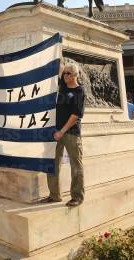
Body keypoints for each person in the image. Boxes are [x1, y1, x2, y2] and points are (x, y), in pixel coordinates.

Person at [41, 63, 85, 207]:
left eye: (68, 74)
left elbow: (75, 116)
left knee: (76, 165)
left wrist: (62, 131)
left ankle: (77, 196)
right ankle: (54, 195)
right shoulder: (63, 86)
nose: (64, 76)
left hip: (71, 133)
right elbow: (58, 63)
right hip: (55, 132)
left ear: (75, 75)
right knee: (52, 163)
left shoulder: (79, 92)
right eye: (64, 73)